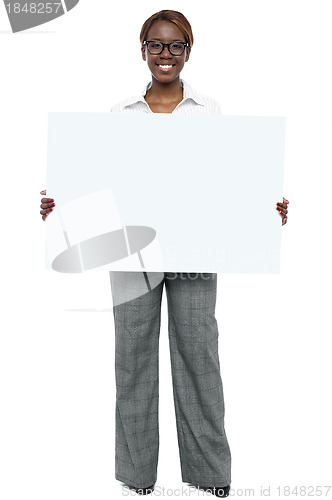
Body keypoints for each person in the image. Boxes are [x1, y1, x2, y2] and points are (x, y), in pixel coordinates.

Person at [40, 10, 289, 497]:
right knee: (131, 358)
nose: (165, 55)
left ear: (188, 52)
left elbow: (229, 181)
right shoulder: (120, 113)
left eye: (175, 46)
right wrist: (58, 203)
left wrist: (266, 209)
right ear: (143, 50)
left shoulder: (208, 110)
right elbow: (98, 182)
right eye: (156, 45)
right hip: (134, 252)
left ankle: (210, 475)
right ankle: (137, 476)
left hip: (195, 248)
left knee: (199, 355)